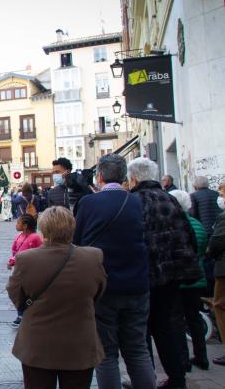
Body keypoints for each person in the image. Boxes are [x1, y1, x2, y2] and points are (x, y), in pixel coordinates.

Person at [73, 154, 155, 389]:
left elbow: (77, 244)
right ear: (125, 177)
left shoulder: (88, 203)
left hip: (102, 287)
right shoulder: (138, 201)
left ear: (99, 176)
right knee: (138, 350)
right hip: (137, 284)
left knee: (106, 353)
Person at [7, 206, 106, 389]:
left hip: (37, 344)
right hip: (80, 343)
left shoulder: (26, 259)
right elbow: (98, 293)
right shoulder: (93, 256)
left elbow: (16, 296)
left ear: (43, 230)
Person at [128, 157, 201, 389]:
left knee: (143, 330)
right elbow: (188, 235)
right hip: (172, 275)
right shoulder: (170, 200)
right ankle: (177, 378)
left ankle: (146, 378)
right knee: (169, 326)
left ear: (134, 178)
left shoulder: (133, 201)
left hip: (144, 275)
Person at [169, 189, 209, 371]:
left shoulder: (175, 224)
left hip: (180, 279)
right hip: (197, 279)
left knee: (177, 320)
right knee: (194, 318)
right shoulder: (198, 224)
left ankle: (183, 360)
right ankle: (202, 356)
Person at [7, 214, 42, 327]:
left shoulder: (35, 237)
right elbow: (15, 251)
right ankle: (21, 313)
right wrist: (12, 261)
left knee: (27, 293)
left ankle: (23, 315)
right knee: (17, 292)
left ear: (25, 226)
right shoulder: (19, 236)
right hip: (18, 269)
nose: (16, 225)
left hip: (30, 270)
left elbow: (39, 252)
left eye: (18, 223)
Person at [191, 176, 221, 294]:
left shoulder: (194, 196)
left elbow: (194, 215)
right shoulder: (216, 194)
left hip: (205, 231)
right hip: (217, 231)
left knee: (206, 260)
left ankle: (209, 289)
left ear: (195, 186)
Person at [206, 183, 225, 367]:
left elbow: (217, 242)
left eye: (221, 194)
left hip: (223, 268)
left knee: (219, 304)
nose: (219, 198)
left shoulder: (223, 217)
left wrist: (209, 252)